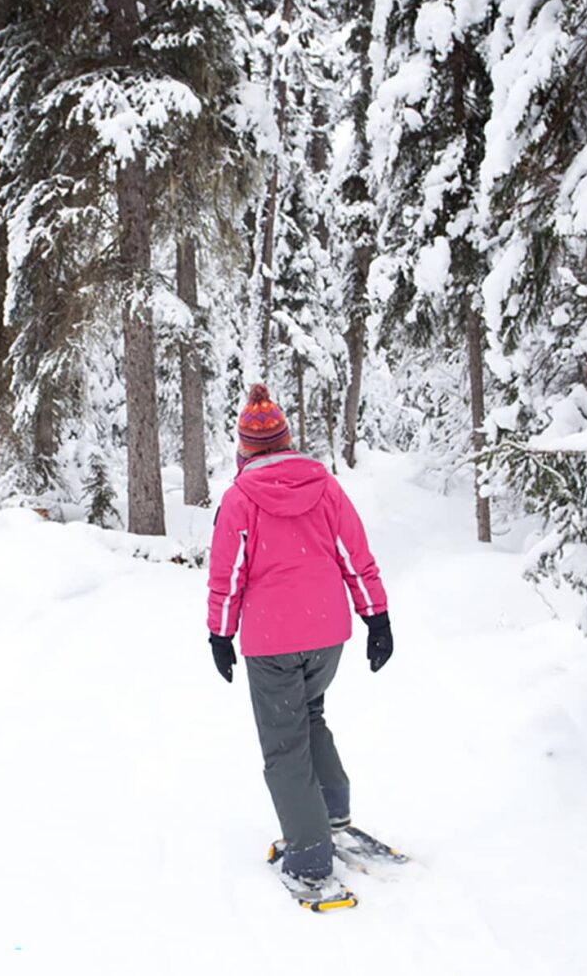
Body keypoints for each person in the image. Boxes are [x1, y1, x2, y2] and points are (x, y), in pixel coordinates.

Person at [206, 383, 393, 901]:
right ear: (286, 440)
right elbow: (355, 556)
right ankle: (331, 809)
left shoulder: (240, 499)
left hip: (272, 643)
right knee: (309, 714)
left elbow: (228, 576)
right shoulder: (326, 487)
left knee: (284, 742)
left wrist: (220, 635)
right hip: (327, 635)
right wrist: (376, 618)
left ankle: (310, 857)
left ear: (244, 448)